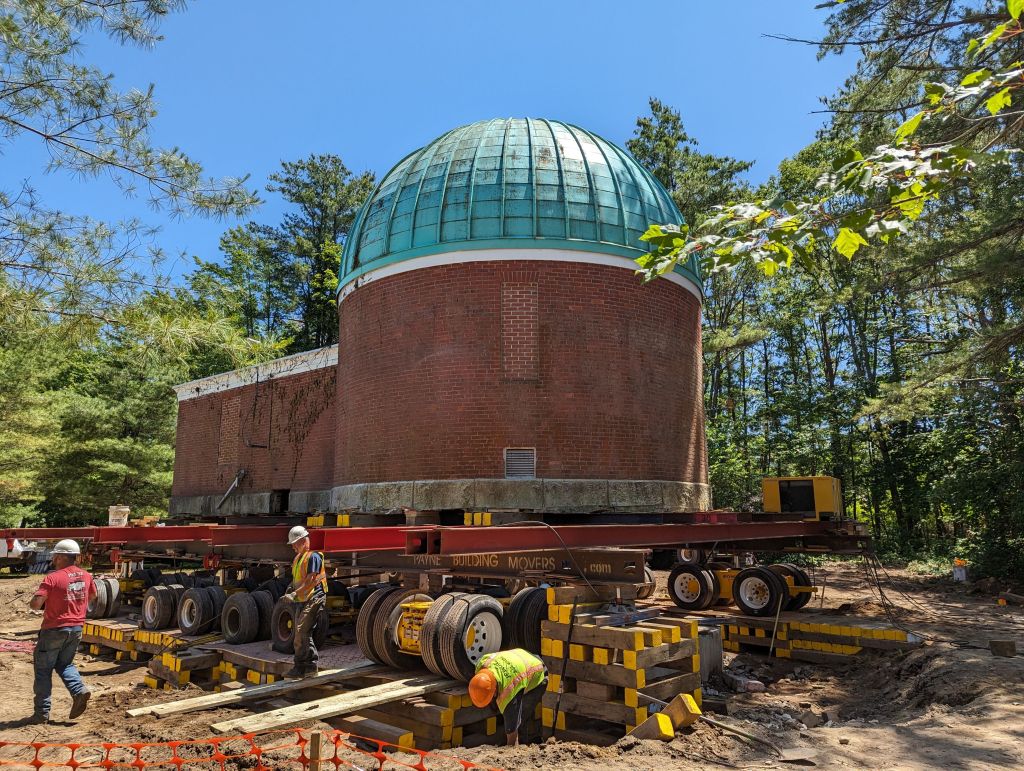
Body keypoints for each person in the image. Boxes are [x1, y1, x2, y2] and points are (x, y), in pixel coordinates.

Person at [28, 539, 95, 724]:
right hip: (76, 629)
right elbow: (92, 596)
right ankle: (79, 690)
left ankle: (41, 714)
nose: (54, 560)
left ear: (62, 556)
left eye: (56, 556)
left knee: (43, 670)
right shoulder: (86, 576)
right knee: (65, 664)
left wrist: (43, 601)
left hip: (53, 629)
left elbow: (36, 604)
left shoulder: (52, 578)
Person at [468, 648, 548, 746]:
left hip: (538, 671)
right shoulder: (482, 663)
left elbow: (512, 730)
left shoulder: (509, 692)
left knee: (521, 717)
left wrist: (510, 749)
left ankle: (523, 746)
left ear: (494, 691)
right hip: (522, 656)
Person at [282, 525, 327, 678]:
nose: (293, 547)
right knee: (299, 633)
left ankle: (309, 666)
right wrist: (291, 590)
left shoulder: (313, 556)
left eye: (295, 543)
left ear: (303, 540)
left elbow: (310, 581)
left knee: (302, 630)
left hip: (314, 597)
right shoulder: (299, 557)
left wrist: (294, 594)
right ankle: (301, 667)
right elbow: (298, 579)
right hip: (303, 598)